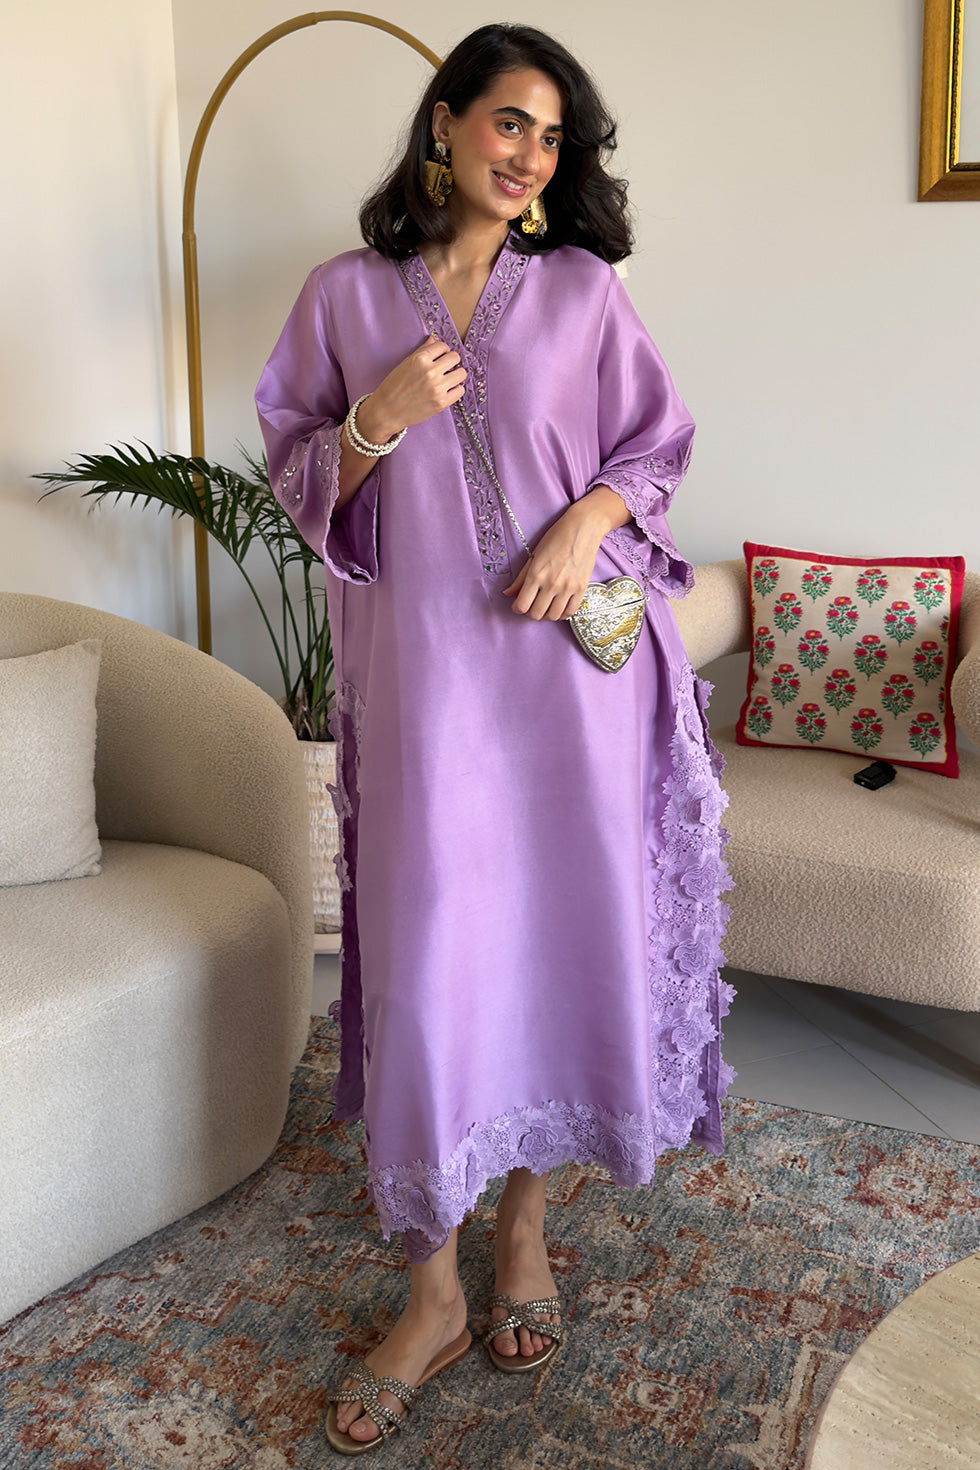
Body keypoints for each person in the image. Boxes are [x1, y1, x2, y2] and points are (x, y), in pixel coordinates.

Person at [255, 21, 734, 1454]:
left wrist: (588, 520)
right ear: (445, 122)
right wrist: (375, 422)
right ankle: (431, 1293)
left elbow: (656, 445)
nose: (529, 155)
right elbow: (294, 471)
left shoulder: (582, 290)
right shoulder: (344, 296)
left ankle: (522, 1236)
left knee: (552, 949)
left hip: (566, 692)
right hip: (426, 693)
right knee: (425, 970)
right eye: (510, 122)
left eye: (553, 137)